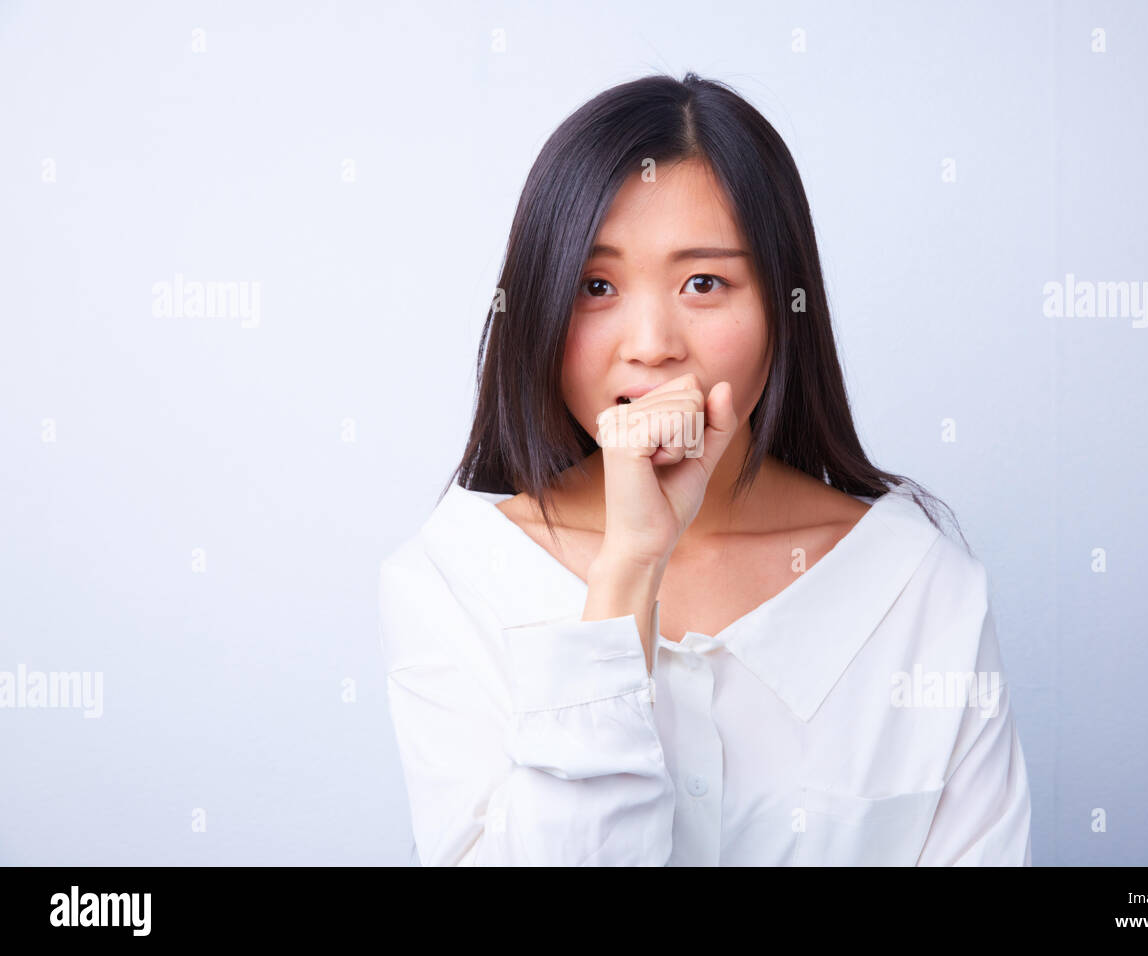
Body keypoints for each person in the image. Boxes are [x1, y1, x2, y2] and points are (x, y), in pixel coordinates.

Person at [377, 72, 1031, 866]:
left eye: (703, 283)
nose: (651, 342)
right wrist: (630, 571)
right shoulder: (453, 579)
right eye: (597, 285)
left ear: (784, 308)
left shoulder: (924, 587)